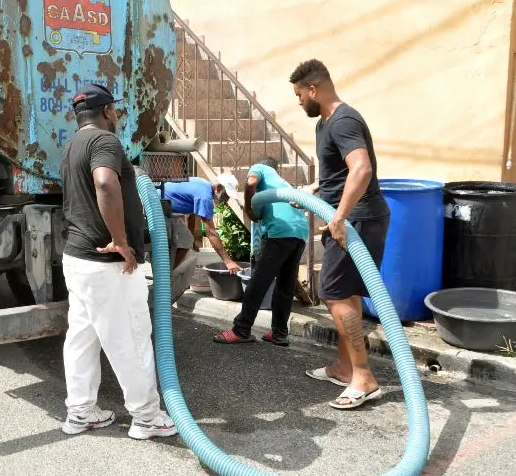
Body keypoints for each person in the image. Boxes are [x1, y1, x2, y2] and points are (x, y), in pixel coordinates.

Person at [58, 83, 178, 439]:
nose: (118, 116)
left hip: (77, 259)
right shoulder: (105, 142)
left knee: (82, 337)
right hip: (108, 264)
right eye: (117, 110)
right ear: (108, 111)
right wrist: (121, 241)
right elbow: (106, 183)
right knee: (131, 337)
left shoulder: (71, 147)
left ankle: (80, 413)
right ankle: (146, 418)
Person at [290, 59, 390, 410]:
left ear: (314, 89)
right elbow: (339, 172)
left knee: (333, 292)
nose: (299, 102)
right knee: (345, 292)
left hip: (357, 219)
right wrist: (318, 190)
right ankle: (345, 367)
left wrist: (340, 216)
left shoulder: (344, 120)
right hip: (349, 217)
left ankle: (364, 376)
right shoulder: (324, 125)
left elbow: (361, 168)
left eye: (300, 95)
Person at [213, 156, 309, 346]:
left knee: (259, 281)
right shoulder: (283, 185)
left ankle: (241, 329)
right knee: (285, 285)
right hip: (300, 232)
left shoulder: (260, 168)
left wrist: (248, 208)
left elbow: (251, 183)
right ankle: (280, 333)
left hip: (280, 233)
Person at [162, 175, 243, 274]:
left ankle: (168, 275)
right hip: (157, 206)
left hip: (164, 206)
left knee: (186, 239)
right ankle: (166, 277)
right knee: (178, 242)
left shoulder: (203, 183)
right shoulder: (205, 198)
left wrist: (192, 240)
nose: (226, 199)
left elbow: (191, 216)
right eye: (226, 195)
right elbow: (211, 233)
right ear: (218, 188)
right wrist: (228, 261)